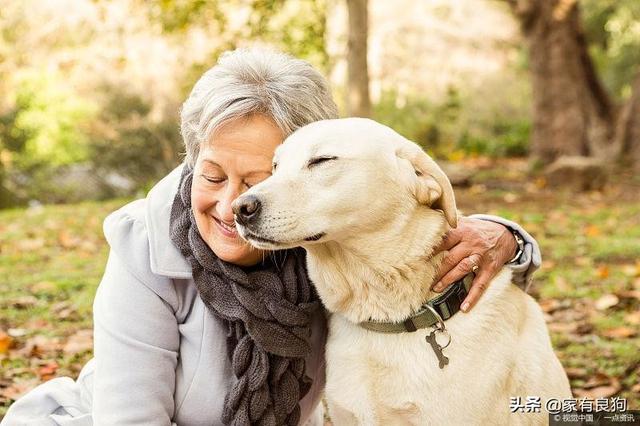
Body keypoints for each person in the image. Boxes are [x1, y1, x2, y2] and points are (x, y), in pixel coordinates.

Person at [1, 48, 541, 426]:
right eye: (211, 175)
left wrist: (508, 236)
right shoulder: (145, 249)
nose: (236, 203)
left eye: (260, 180)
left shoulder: (322, 246)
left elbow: (396, 222)